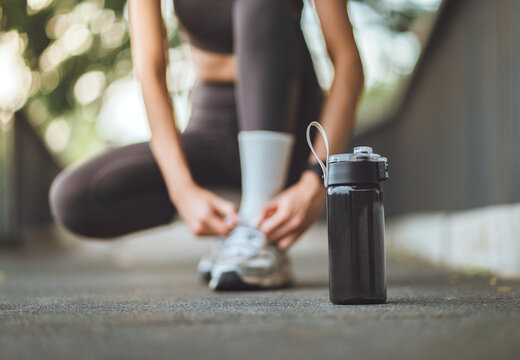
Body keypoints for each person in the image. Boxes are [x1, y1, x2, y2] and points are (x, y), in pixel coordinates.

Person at [49, 0, 364, 290]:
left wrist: (317, 178)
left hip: (291, 124)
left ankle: (258, 233)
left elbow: (348, 64)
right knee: (75, 200)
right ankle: (238, 228)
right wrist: (182, 189)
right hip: (212, 126)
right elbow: (151, 71)